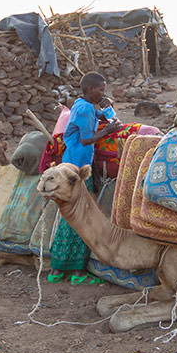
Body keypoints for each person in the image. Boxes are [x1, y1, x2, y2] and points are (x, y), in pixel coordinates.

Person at [48, 72, 122, 284]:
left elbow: (102, 118)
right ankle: (78, 273)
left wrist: (106, 111)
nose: (102, 92)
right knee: (80, 218)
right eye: (100, 89)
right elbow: (86, 139)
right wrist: (107, 130)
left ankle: (57, 270)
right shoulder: (83, 109)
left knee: (70, 217)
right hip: (75, 169)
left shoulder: (86, 107)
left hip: (76, 165)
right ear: (89, 89)